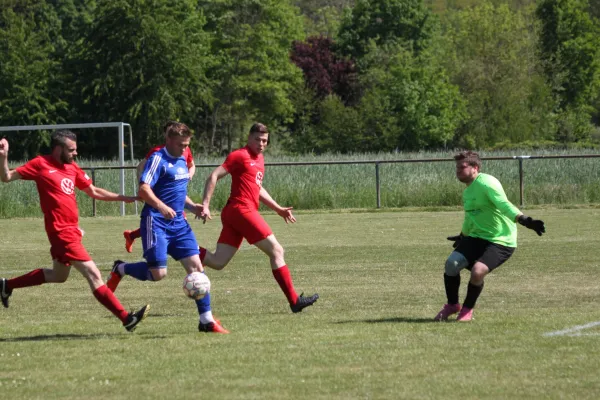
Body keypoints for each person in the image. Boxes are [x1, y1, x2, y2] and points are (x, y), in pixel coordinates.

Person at [0, 131, 149, 332]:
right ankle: (126, 319)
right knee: (94, 274)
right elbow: (7, 177)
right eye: (71, 149)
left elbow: (93, 191)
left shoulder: (72, 167)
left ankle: (6, 286)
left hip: (72, 231)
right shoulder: (39, 164)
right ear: (58, 149)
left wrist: (124, 197)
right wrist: (3, 157)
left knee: (58, 275)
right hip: (61, 233)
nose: (75, 153)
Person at [106, 122, 228, 334]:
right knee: (158, 274)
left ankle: (206, 320)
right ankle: (121, 268)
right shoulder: (158, 159)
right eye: (181, 144)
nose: (184, 149)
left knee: (197, 270)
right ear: (169, 140)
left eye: (187, 145)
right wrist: (161, 207)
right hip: (156, 221)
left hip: (179, 225)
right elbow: (144, 189)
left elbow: (177, 191)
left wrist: (193, 206)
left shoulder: (182, 159)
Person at [198, 123, 319, 313]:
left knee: (218, 262)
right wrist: (205, 204)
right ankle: (294, 301)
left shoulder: (260, 159)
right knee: (277, 251)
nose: (261, 144)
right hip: (241, 210)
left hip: (234, 213)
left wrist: (278, 208)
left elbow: (257, 188)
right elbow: (213, 176)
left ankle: (181, 248)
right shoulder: (239, 155)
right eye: (258, 139)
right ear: (249, 138)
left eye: (265, 141)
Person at [434, 151, 546, 322]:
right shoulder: (467, 191)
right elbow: (471, 217)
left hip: (500, 240)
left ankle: (467, 310)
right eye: (456, 167)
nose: (458, 170)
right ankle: (452, 305)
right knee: (451, 264)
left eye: (462, 167)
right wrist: (462, 236)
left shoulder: (487, 183)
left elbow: (504, 205)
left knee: (478, 272)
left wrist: (523, 219)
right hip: (476, 237)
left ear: (475, 168)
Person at [123, 121, 196, 253]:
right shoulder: (157, 153)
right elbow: (141, 167)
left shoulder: (185, 148)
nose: (183, 147)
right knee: (173, 221)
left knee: (174, 222)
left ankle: (133, 236)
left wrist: (187, 176)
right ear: (167, 137)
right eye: (168, 132)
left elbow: (192, 165)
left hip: (177, 193)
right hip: (159, 198)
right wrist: (144, 187)